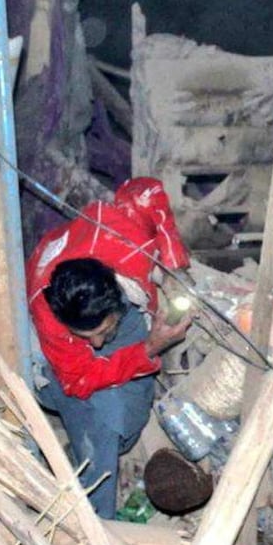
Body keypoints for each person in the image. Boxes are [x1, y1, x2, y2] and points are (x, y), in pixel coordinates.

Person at [26, 177, 193, 518]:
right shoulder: (50, 318)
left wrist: (174, 264)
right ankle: (97, 523)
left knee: (127, 425)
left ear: (118, 296)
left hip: (104, 268)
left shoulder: (123, 239)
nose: (98, 344)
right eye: (87, 336)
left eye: (104, 331)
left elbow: (147, 191)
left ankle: (114, 439)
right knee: (101, 430)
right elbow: (78, 379)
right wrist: (148, 349)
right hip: (63, 363)